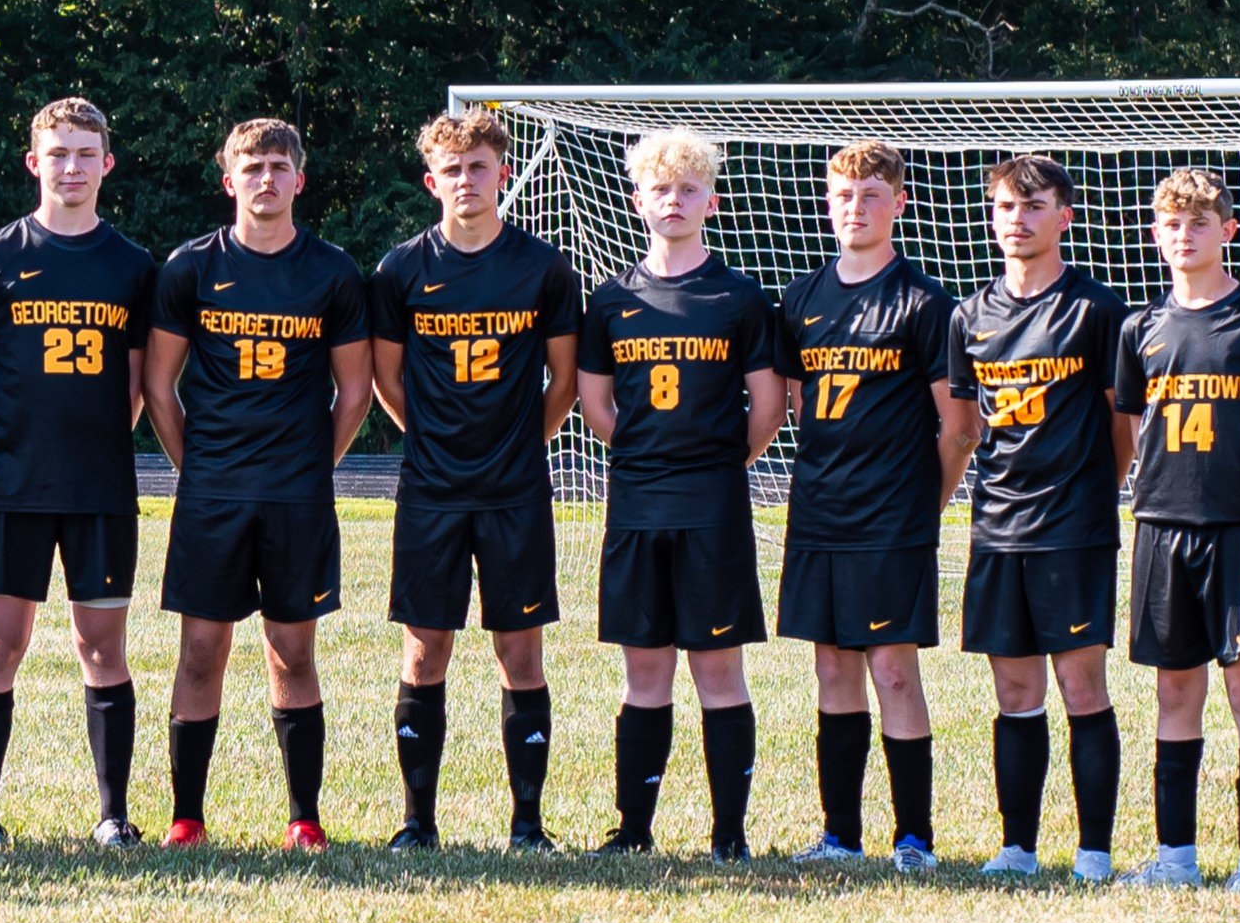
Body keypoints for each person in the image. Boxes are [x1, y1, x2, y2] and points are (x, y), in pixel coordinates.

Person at [147, 119, 376, 850]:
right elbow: (159, 384)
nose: (267, 178)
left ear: (300, 179)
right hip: (213, 491)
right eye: (252, 166)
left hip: (295, 494)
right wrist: (198, 467)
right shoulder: (191, 267)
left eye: (280, 165)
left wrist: (312, 465)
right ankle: (187, 816)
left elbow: (356, 393)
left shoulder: (332, 272)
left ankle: (304, 817)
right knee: (202, 648)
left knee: (293, 649)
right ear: (229, 179)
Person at [366, 108, 585, 853]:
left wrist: (523, 441)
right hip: (431, 486)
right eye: (452, 170)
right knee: (425, 650)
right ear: (433, 181)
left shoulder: (543, 266)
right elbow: (385, 378)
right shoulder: (401, 269)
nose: (467, 180)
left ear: (501, 172)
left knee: (519, 650)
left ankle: (527, 823)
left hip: (514, 485)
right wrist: (431, 437)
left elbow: (563, 379)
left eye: (480, 166)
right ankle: (417, 821)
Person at [0, 98, 157, 845]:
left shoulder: (131, 264)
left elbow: (137, 382)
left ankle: (112, 814)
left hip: (99, 485)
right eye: (56, 153)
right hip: (15, 484)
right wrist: (7, 442)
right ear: (34, 163)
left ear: (107, 163)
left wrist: (89, 445)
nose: (70, 166)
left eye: (84, 152)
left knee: (102, 644)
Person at [572, 126, 790, 859]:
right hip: (636, 505)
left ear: (712, 201)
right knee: (645, 672)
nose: (674, 200)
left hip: (713, 508)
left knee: (719, 670)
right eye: (661, 189)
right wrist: (646, 454)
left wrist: (714, 460)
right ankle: (633, 830)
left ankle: (730, 834)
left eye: (688, 189)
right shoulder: (610, 299)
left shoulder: (739, 296)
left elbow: (767, 409)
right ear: (638, 201)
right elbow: (595, 403)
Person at [772, 141, 969, 870]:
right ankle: (840, 834)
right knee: (832, 668)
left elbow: (959, 428)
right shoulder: (798, 300)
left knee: (892, 668)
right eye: (845, 195)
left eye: (872, 195)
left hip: (893, 517)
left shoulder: (925, 303)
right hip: (821, 510)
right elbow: (797, 407)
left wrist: (925, 503)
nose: (856, 208)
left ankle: (914, 835)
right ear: (829, 202)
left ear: (899, 205)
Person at [949, 153, 1136, 881]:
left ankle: (1093, 852)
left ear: (1064, 215)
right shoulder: (971, 313)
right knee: (1015, 692)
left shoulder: (1097, 309)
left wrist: (1092, 491)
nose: (1018, 220)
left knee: (1082, 686)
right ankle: (1017, 847)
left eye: (1034, 206)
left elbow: (1123, 425)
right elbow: (965, 426)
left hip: (1075, 527)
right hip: (997, 524)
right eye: (1005, 207)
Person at [1114, 168, 1240, 891]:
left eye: (1198, 222)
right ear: (1155, 234)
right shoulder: (1141, 327)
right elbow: (1131, 431)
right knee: (1173, 692)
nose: (1183, 235)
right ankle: (1175, 857)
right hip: (1163, 525)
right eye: (1170, 224)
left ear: (1229, 230)